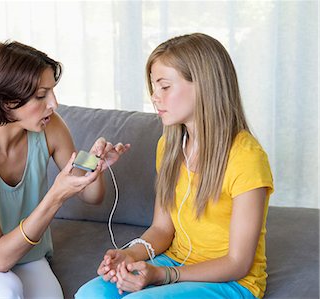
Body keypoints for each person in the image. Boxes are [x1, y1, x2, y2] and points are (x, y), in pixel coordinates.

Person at [0, 41, 129, 298]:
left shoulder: (50, 127)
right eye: (41, 95)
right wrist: (55, 196)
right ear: (7, 100)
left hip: (27, 254)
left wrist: (95, 165)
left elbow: (93, 197)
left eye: (52, 92)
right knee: (4, 290)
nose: (54, 103)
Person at [76, 33, 273, 299]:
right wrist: (129, 255)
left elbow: (238, 262)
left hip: (232, 280)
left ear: (204, 85)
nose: (155, 97)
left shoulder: (246, 157)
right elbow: (162, 229)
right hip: (176, 261)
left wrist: (163, 275)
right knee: (91, 294)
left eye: (165, 87)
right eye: (154, 88)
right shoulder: (169, 147)